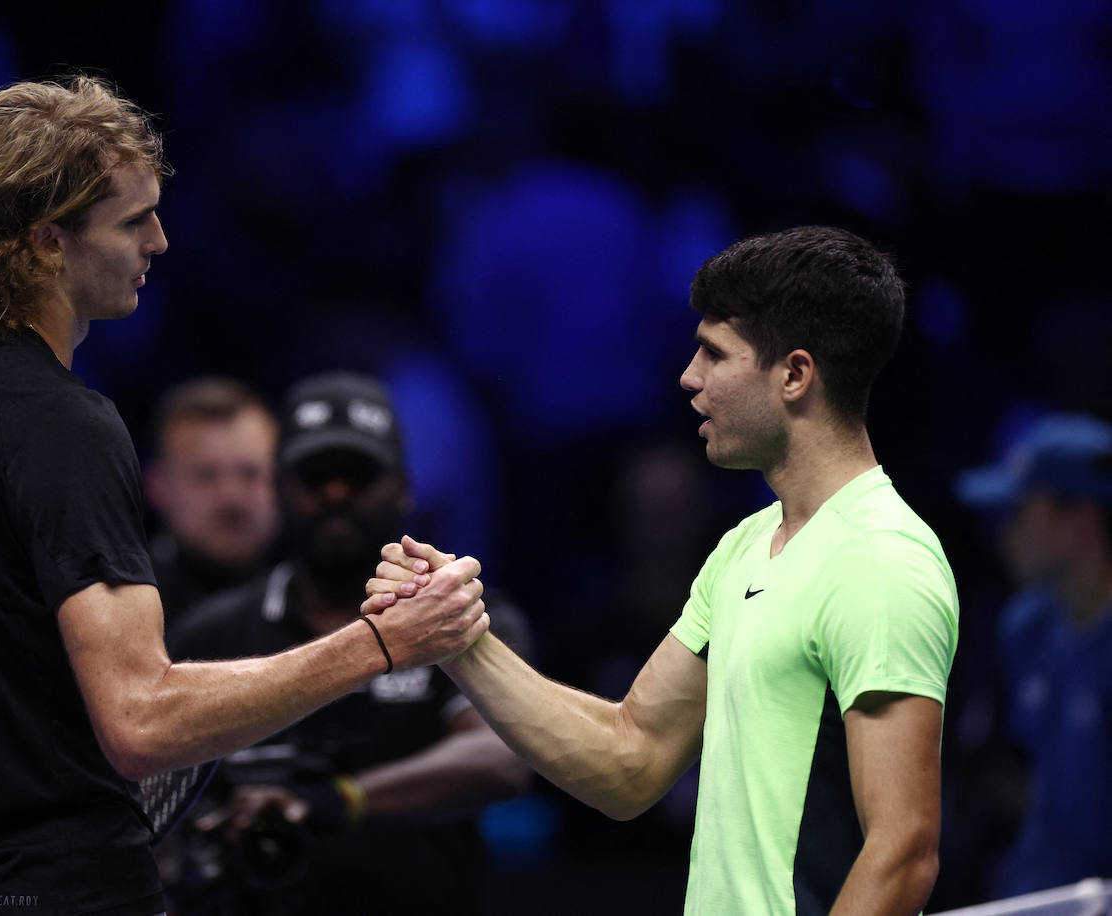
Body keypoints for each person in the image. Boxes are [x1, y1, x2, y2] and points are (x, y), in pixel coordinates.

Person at [0, 75, 488, 916]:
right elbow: (142, 724)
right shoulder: (67, 428)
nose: (159, 240)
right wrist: (379, 643)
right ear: (49, 242)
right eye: (132, 221)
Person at [366, 226, 960, 915]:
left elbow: (903, 849)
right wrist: (459, 639)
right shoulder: (747, 544)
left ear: (795, 375)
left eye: (714, 353)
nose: (689, 376)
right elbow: (631, 758)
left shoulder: (881, 560)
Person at [161, 371, 534, 916]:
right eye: (316, 476)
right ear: (281, 487)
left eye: (358, 476)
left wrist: (335, 800)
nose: (336, 494)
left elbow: (503, 757)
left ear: (403, 486)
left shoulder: (465, 616)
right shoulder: (211, 634)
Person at [954, 411, 1112, 897]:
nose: (1004, 535)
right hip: (1037, 890)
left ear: (1082, 520)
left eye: (1019, 512)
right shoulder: (1026, 627)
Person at [145, 375, 280, 629]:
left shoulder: (318, 599)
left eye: (250, 473)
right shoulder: (119, 609)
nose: (231, 496)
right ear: (157, 487)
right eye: (205, 476)